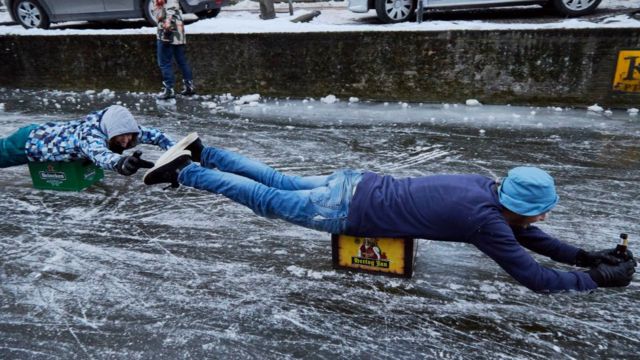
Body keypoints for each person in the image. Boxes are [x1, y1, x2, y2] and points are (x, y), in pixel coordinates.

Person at [143, 133, 637, 293]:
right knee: (267, 200)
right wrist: (596, 279)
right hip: (348, 208)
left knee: (278, 180)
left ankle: (209, 153)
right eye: (540, 213)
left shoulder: (484, 191)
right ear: (518, 207)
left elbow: (527, 240)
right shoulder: (486, 222)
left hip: (357, 182)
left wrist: (585, 255)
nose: (543, 221)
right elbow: (532, 275)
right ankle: (186, 172)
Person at [0, 105, 174, 176]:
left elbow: (154, 135)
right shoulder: (89, 136)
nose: (127, 140)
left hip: (45, 131)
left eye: (130, 135)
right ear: (111, 131)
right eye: (123, 136)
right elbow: (100, 155)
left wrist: (173, 148)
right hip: (29, 143)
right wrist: (121, 163)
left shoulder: (119, 130)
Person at [154, 0, 195, 100]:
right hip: (178, 32)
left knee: (164, 62)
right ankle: (189, 86)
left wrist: (167, 27)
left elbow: (164, 13)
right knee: (181, 61)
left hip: (167, 32)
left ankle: (169, 89)